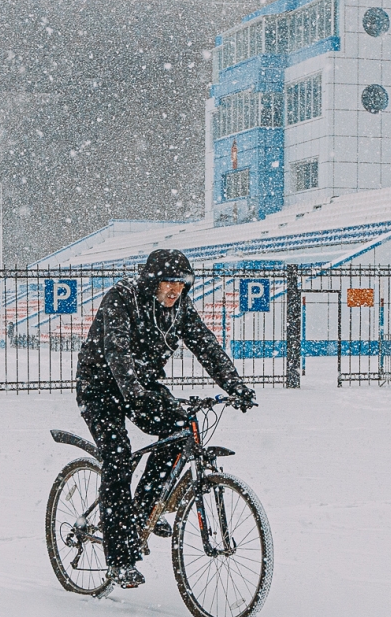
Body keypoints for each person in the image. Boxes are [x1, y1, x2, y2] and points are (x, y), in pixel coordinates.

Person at [75, 249, 257, 589]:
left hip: (141, 384)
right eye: (167, 283)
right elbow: (116, 348)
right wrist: (130, 388)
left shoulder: (180, 308)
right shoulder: (123, 297)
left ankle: (144, 510)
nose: (174, 290)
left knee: (180, 429)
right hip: (100, 385)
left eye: (181, 284)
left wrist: (235, 385)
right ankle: (119, 558)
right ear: (151, 282)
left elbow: (206, 345)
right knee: (117, 457)